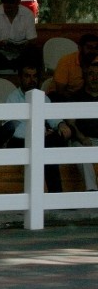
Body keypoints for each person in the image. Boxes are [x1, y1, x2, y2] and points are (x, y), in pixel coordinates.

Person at [3, 62, 71, 193]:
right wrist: (37, 133)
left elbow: (53, 118)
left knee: (56, 139)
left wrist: (61, 125)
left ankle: (56, 197)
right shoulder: (13, 98)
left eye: (34, 76)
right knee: (48, 146)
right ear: (20, 78)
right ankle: (56, 194)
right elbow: (13, 129)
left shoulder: (42, 96)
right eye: (27, 76)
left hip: (41, 140)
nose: (31, 80)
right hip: (20, 141)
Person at [66, 58, 98, 192]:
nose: (94, 78)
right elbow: (70, 122)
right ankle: (92, 193)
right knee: (82, 153)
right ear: (85, 75)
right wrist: (82, 137)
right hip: (80, 140)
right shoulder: (76, 97)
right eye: (91, 74)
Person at [51, 33, 98, 101]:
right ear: (80, 48)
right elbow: (60, 91)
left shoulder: (96, 59)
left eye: (96, 48)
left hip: (87, 96)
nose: (93, 51)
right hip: (63, 97)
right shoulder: (66, 61)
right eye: (89, 47)